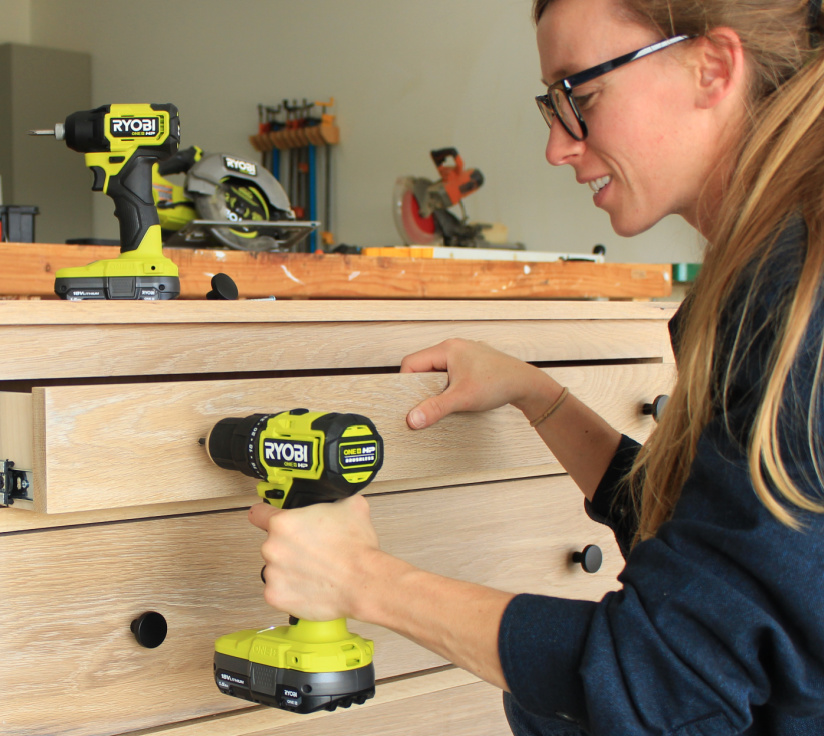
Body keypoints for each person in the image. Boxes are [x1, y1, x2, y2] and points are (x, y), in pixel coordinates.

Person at [247, 0, 824, 733]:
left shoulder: (796, 303)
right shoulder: (780, 269)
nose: (557, 146)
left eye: (578, 96)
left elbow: (658, 682)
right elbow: (721, 562)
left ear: (712, 67)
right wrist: (542, 399)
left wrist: (363, 580)